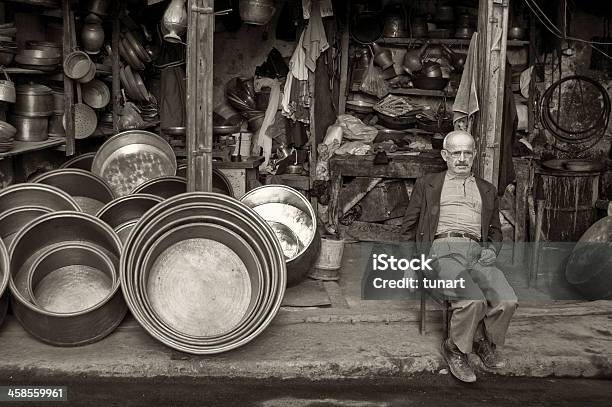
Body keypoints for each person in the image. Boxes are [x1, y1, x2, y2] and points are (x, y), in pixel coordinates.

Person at [400, 130, 518, 383]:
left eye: (467, 153)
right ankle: (455, 348)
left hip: (477, 252)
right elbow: (408, 227)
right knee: (472, 300)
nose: (462, 158)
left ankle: (483, 340)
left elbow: (495, 231)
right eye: (456, 153)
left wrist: (491, 249)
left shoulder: (487, 190)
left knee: (507, 300)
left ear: (474, 155)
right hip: (442, 251)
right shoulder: (428, 184)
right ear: (445, 155)